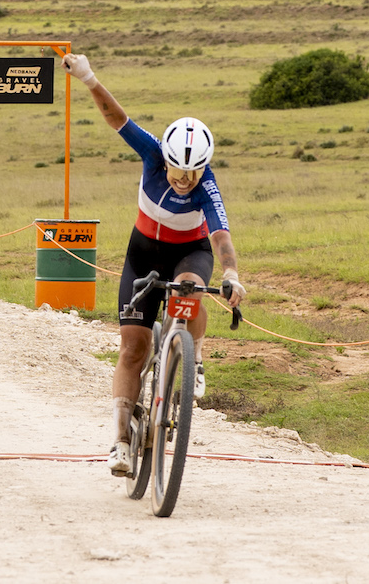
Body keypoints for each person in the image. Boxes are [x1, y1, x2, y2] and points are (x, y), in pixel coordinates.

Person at [62, 53, 246, 478]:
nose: (184, 180)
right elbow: (118, 120)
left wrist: (232, 274)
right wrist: (88, 78)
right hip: (142, 253)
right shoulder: (151, 153)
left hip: (189, 251)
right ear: (165, 158)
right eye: (177, 171)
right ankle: (121, 442)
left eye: (193, 174)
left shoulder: (208, 184)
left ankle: (194, 356)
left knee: (189, 288)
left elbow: (220, 235)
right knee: (132, 349)